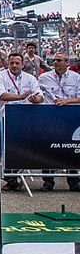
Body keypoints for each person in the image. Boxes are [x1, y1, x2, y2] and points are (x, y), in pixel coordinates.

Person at [0, 52, 43, 192]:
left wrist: (36, 99)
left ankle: (15, 178)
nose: (14, 65)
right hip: (2, 118)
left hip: (24, 120)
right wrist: (20, 97)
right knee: (2, 150)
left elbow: (39, 95)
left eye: (17, 63)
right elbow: (0, 94)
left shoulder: (30, 78)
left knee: (21, 148)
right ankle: (10, 178)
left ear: (22, 64)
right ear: (8, 62)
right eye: (12, 62)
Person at [37, 52, 80, 191]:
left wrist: (67, 101)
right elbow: (38, 94)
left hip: (70, 118)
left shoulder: (76, 77)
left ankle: (74, 181)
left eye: (59, 60)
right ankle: (48, 182)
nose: (56, 62)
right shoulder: (44, 77)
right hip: (50, 118)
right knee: (47, 149)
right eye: (54, 60)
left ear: (67, 63)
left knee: (70, 149)